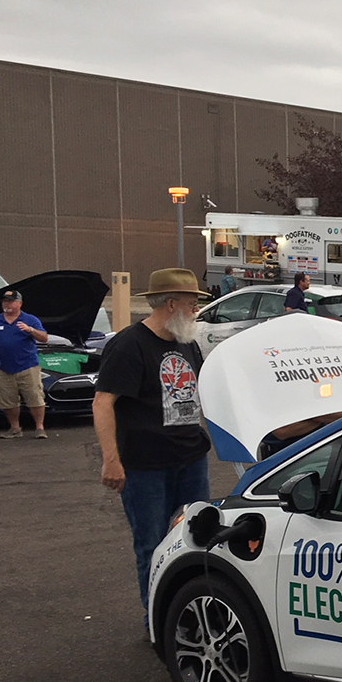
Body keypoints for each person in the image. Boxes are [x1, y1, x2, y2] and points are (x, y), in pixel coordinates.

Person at [93, 268, 211, 628]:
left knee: (198, 541)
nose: (195, 312)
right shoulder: (129, 345)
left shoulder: (185, 342)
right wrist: (111, 461)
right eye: (191, 305)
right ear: (171, 304)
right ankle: (159, 623)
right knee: (154, 546)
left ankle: (192, 615)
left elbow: (203, 391)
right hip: (146, 465)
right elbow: (102, 402)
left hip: (191, 459)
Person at [0, 289, 50, 439]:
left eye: (10, 301)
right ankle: (15, 428)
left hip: (27, 365)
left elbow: (44, 337)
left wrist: (30, 330)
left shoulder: (30, 319)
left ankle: (39, 427)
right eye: (4, 301)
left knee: (35, 397)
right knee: (8, 400)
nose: (6, 304)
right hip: (4, 367)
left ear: (19, 303)